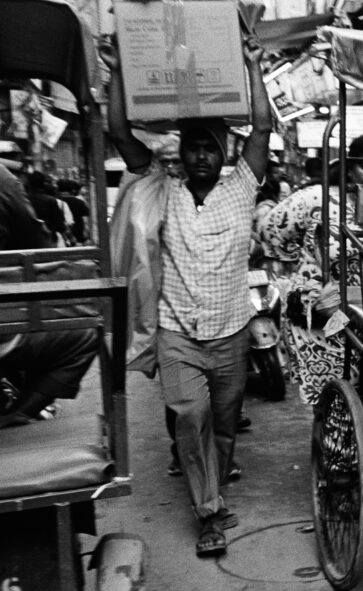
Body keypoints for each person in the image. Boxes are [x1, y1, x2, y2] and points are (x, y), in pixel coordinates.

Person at [100, 33, 271, 558]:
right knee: (191, 417)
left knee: (223, 426)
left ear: (223, 154)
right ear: (182, 151)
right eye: (193, 145)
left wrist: (251, 64)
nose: (200, 154)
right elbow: (118, 130)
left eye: (210, 146)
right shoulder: (162, 185)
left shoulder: (242, 186)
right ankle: (208, 514)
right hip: (178, 334)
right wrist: (118, 72)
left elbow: (262, 126)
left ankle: (214, 488)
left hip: (231, 332)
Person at [256, 133, 363, 404]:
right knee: (335, 407)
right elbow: (268, 229)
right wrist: (303, 270)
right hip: (323, 319)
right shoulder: (316, 198)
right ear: (348, 167)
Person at [1, 164, 98, 428]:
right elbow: (37, 243)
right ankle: (21, 411)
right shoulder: (4, 180)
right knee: (85, 333)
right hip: (8, 322)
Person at [25, 172, 67, 247]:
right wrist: (66, 239)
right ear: (43, 184)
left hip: (28, 243)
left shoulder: (24, 200)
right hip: (49, 242)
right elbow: (60, 225)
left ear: (28, 183)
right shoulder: (51, 201)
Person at [57, 178, 90, 245]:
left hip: (61, 237)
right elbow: (85, 221)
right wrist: (86, 234)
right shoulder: (80, 202)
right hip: (78, 235)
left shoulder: (55, 201)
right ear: (72, 190)